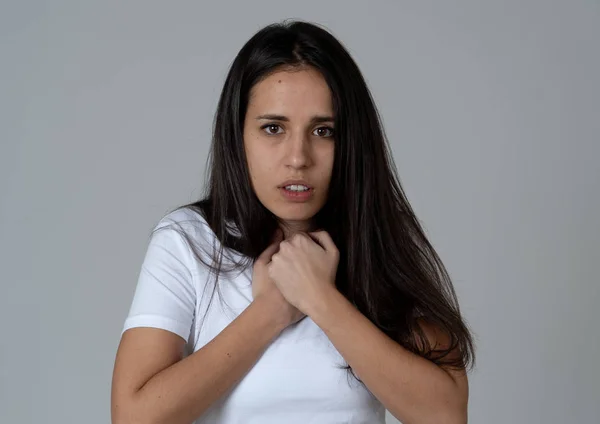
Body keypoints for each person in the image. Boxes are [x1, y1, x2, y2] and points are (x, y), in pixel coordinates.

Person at [111, 20, 475, 424]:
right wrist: (270, 311)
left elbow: (444, 414)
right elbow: (134, 417)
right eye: (273, 128)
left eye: (323, 131)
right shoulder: (188, 241)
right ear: (237, 135)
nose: (298, 157)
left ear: (351, 141)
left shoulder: (370, 246)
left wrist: (320, 297)